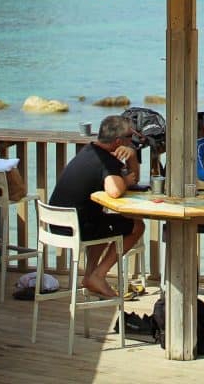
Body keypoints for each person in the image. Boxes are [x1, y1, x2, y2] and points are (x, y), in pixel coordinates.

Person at [49, 115, 145, 298]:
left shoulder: (89, 150)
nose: (131, 141)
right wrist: (125, 181)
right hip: (76, 228)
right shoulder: (106, 161)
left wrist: (132, 155)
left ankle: (90, 276)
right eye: (129, 137)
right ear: (118, 141)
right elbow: (115, 190)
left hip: (56, 222)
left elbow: (133, 179)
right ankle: (98, 276)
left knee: (102, 221)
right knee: (137, 226)